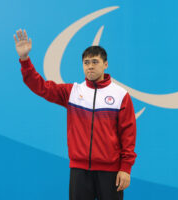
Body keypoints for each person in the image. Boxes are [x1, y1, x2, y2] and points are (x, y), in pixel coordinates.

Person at [14, 29, 137, 200]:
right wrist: (25, 60)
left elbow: (128, 136)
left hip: (110, 171)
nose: (90, 66)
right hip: (79, 171)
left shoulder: (120, 95)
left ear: (105, 64)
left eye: (95, 61)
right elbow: (40, 87)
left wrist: (125, 168)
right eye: (86, 63)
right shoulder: (72, 92)